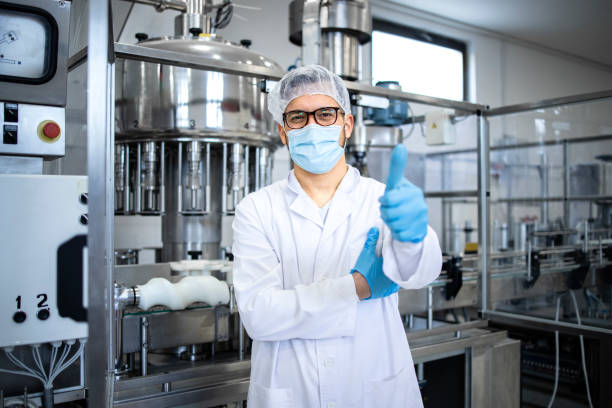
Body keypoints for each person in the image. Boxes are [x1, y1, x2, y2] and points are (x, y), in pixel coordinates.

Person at [232, 64, 442, 408]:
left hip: (375, 386)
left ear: (347, 125)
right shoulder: (256, 209)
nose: (312, 125)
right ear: (284, 132)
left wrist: (413, 238)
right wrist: (357, 287)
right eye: (298, 117)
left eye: (325, 114)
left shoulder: (381, 200)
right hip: (291, 391)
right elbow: (259, 316)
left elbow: (419, 273)